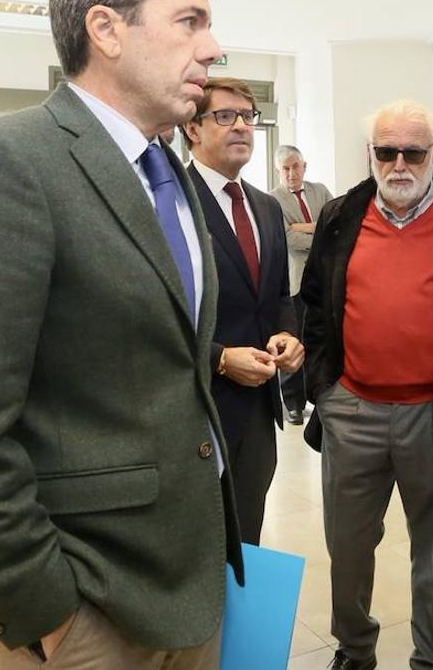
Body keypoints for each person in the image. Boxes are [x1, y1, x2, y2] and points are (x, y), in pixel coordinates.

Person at [0, 0, 243, 670]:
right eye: (190, 20)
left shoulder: (171, 173)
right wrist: (48, 616)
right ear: (106, 28)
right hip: (83, 605)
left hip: (188, 581)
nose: (213, 47)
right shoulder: (5, 163)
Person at [300, 100, 433, 670]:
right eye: (385, 150)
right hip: (353, 409)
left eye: (412, 151)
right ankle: (354, 648)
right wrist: (325, 389)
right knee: (347, 546)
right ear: (370, 154)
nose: (398, 163)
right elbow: (314, 306)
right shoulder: (341, 216)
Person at [182, 77, 301, 545]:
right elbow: (152, 314)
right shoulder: (170, 202)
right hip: (196, 408)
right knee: (198, 547)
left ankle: (237, 621)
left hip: (256, 412)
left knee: (245, 538)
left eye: (247, 118)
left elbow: (277, 297)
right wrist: (217, 356)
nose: (241, 127)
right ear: (192, 128)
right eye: (225, 116)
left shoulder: (267, 207)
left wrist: (288, 335)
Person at [269, 144, 333, 424]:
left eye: (296, 167)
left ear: (304, 167)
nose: (292, 173)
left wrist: (302, 227)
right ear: (278, 171)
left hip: (324, 278)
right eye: (286, 169)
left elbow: (335, 225)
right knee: (294, 340)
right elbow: (287, 239)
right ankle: (293, 404)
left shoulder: (320, 191)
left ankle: (316, 397)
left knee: (320, 339)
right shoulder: (273, 200)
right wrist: (315, 230)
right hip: (295, 282)